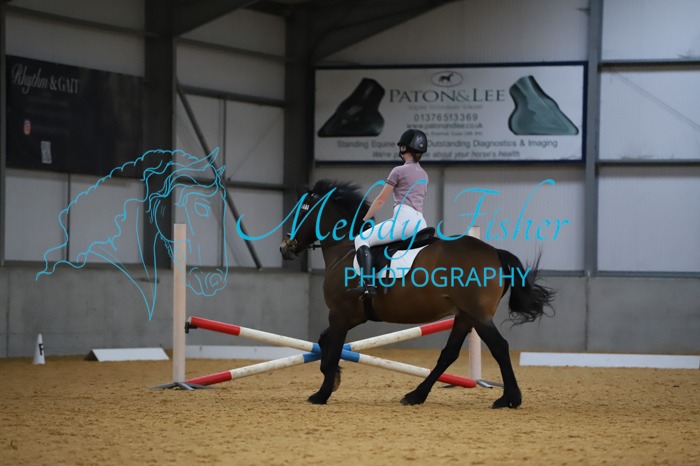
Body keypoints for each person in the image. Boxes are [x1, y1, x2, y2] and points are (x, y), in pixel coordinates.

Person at [349, 129, 429, 298]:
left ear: (404, 148)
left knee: (361, 239)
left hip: (404, 220)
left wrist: (364, 219)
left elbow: (380, 200)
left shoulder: (398, 171)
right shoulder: (424, 174)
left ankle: (368, 284)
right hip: (421, 223)